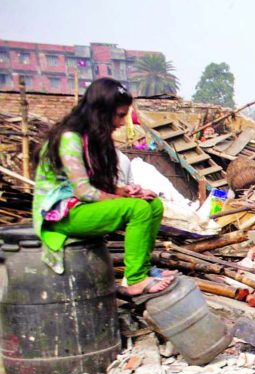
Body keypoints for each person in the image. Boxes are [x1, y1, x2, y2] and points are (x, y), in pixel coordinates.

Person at [32, 78, 173, 297]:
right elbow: (84, 191)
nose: (121, 122)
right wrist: (125, 199)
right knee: (138, 209)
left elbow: (96, 184)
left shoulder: (93, 139)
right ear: (101, 112)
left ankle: (143, 270)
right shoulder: (70, 138)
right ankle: (135, 280)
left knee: (152, 204)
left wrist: (126, 191)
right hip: (60, 215)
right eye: (118, 115)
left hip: (80, 206)